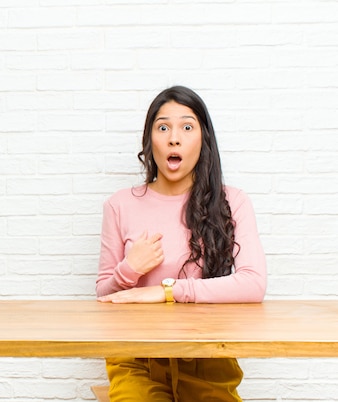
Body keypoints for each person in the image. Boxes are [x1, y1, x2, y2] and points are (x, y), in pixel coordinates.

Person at [95, 86, 267, 401]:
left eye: (187, 127)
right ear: (150, 141)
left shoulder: (233, 201)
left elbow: (254, 284)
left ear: (204, 140)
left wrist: (167, 292)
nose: (174, 138)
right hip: (136, 358)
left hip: (209, 356)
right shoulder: (119, 205)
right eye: (163, 127)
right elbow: (104, 295)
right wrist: (129, 269)